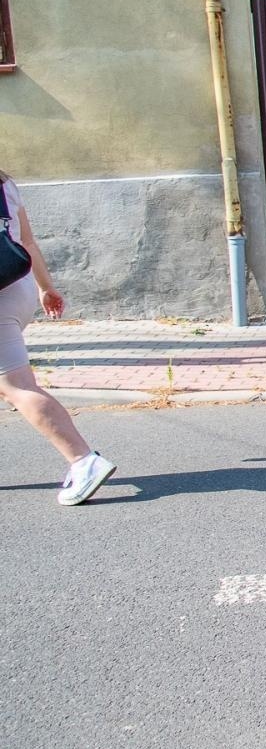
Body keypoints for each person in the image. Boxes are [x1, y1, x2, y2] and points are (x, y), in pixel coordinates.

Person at [0, 170, 116, 505]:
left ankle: (83, 460)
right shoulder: (5, 183)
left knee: (17, 387)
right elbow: (27, 242)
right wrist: (45, 287)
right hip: (17, 286)